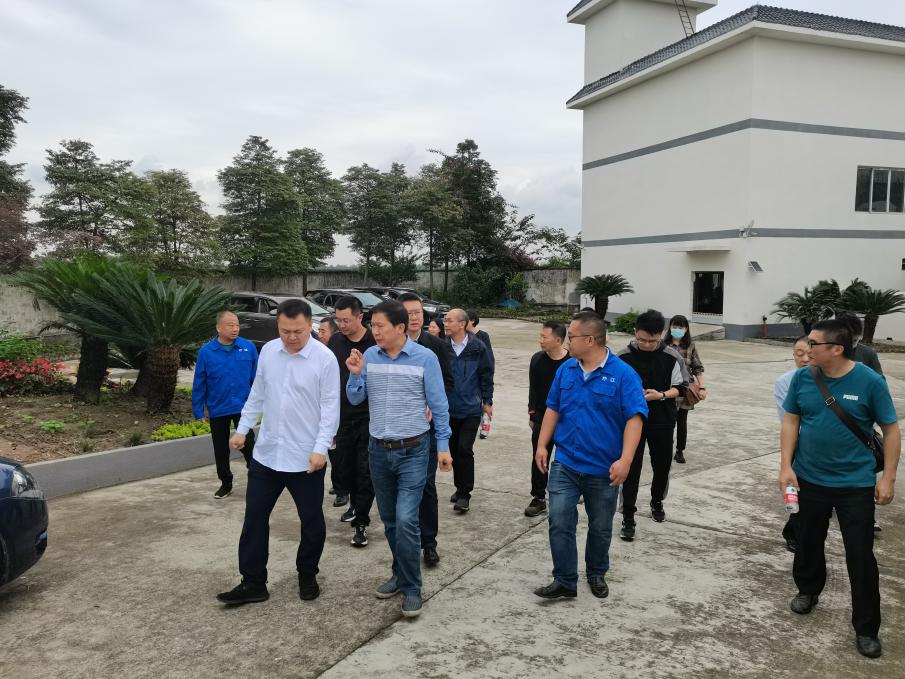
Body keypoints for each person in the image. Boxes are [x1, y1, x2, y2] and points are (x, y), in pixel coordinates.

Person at [779, 319, 900, 659]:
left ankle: (866, 627)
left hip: (855, 484)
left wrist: (888, 478)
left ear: (836, 349)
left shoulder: (869, 381)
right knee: (807, 540)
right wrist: (786, 465)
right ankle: (808, 589)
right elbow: (791, 421)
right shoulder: (803, 378)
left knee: (860, 555)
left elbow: (891, 430)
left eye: (813, 344)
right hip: (809, 479)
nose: (807, 348)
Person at [216, 298, 340, 606]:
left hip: (306, 458)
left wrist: (320, 449)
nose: (291, 337)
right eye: (285, 331)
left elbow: (330, 409)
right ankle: (253, 581)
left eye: (298, 331)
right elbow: (257, 394)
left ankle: (307, 573)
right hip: (268, 454)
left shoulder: (324, 359)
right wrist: (243, 429)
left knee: (311, 521)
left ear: (309, 325)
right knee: (254, 518)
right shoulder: (270, 351)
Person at [346, 300, 453, 618]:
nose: (374, 331)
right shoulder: (369, 356)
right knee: (391, 520)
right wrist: (355, 375)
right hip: (378, 451)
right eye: (373, 326)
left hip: (414, 451)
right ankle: (399, 573)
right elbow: (355, 398)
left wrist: (443, 446)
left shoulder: (425, 358)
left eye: (379, 326)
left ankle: (412, 587)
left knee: (407, 520)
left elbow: (439, 404)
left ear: (400, 327)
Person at [533, 311, 647, 600]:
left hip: (603, 468)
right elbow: (553, 408)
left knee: (600, 526)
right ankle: (564, 580)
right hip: (566, 462)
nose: (567, 341)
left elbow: (635, 418)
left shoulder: (623, 375)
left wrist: (626, 460)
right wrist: (542, 445)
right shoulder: (566, 370)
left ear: (590, 340)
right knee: (559, 520)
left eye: (571, 336)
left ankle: (596, 572)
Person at [617, 309, 688, 540]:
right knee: (630, 468)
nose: (647, 345)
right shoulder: (623, 357)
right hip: (630, 422)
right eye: (642, 340)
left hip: (662, 420)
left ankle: (657, 501)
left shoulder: (672, 356)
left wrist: (662, 395)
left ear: (661, 335)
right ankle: (628, 516)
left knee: (661, 466)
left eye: (652, 341)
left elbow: (682, 388)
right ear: (635, 332)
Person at [398, 292, 455, 567]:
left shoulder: (436, 346)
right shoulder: (387, 346)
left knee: (427, 485)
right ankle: (405, 541)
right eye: (408, 313)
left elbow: (448, 383)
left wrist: (433, 403)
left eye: (418, 312)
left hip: (427, 430)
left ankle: (429, 542)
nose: (414, 317)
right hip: (398, 430)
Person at [192, 310, 258, 499]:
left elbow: (258, 378)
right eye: (230, 325)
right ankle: (226, 483)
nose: (235, 329)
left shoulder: (248, 347)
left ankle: (257, 479)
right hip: (218, 407)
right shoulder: (206, 352)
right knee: (220, 449)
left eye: (237, 325)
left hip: (243, 407)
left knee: (249, 444)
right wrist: (198, 410)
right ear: (218, 328)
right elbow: (199, 382)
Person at [328, 296, 377, 546]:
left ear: (360, 317)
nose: (342, 325)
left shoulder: (374, 342)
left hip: (369, 416)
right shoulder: (335, 341)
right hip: (342, 416)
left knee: (364, 470)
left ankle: (361, 522)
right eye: (338, 320)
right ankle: (355, 505)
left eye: (346, 320)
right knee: (344, 469)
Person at [443, 308, 494, 513]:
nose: (445, 323)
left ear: (462, 324)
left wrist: (487, 401)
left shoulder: (477, 347)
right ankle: (459, 486)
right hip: (448, 409)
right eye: (445, 320)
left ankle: (465, 494)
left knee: (464, 449)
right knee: (454, 449)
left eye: (449, 320)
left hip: (471, 408)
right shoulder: (442, 347)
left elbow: (486, 374)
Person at [525, 321, 570, 517]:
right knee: (540, 455)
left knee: (567, 457)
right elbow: (533, 389)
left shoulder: (572, 362)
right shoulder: (537, 359)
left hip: (567, 418)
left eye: (545, 337)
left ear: (558, 340)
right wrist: (532, 414)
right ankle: (538, 497)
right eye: (540, 336)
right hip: (543, 416)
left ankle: (567, 493)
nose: (541, 340)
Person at [774, 335, 811, 553]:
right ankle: (794, 533)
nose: (805, 358)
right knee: (800, 492)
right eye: (799, 354)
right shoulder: (785, 382)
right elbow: (788, 421)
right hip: (801, 445)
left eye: (809, 353)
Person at [667, 315, 706, 464]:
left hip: (685, 389)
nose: (677, 329)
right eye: (674, 326)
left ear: (686, 329)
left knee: (682, 421)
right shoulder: (663, 345)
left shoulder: (690, 346)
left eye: (680, 327)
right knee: (668, 421)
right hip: (668, 389)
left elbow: (697, 368)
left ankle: (680, 451)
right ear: (670, 327)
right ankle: (665, 448)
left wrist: (702, 387)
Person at [837, 312, 883, 376]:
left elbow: (880, 379)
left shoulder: (868, 354)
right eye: (845, 340)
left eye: (854, 341)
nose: (849, 345)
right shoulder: (825, 351)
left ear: (860, 336)